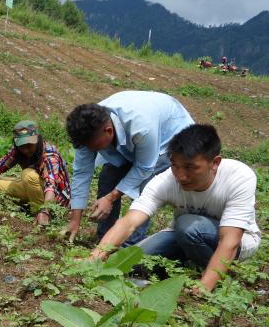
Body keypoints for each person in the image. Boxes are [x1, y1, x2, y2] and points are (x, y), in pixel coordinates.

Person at [90, 124, 261, 292]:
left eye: (190, 167)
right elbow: (129, 222)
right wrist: (94, 259)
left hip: (238, 240)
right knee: (132, 261)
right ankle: (187, 264)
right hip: (181, 235)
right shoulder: (166, 181)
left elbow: (230, 240)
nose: (180, 175)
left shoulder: (239, 177)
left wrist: (205, 287)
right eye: (174, 165)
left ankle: (217, 276)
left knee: (188, 226)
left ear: (215, 163)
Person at [63, 91, 194, 244]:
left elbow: (144, 168)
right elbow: (81, 173)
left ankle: (130, 244)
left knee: (144, 188)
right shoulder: (86, 133)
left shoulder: (141, 126)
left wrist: (110, 198)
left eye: (95, 147)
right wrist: (75, 220)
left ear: (109, 131)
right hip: (133, 136)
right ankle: (105, 239)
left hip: (169, 136)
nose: (91, 151)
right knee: (107, 178)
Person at [0, 120, 70, 226]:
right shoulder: (18, 151)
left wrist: (45, 210)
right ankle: (29, 203)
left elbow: (51, 185)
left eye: (29, 145)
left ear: (37, 139)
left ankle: (39, 213)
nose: (25, 150)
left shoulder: (50, 156)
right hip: (37, 187)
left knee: (28, 175)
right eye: (22, 146)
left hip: (57, 199)